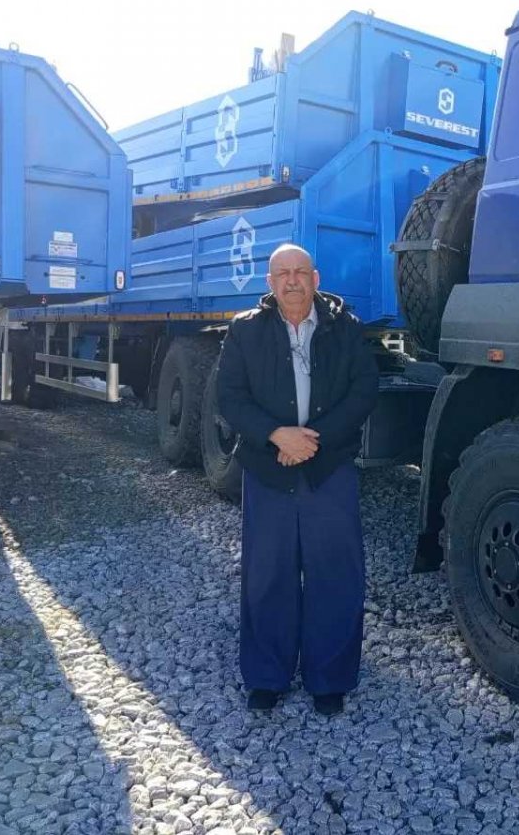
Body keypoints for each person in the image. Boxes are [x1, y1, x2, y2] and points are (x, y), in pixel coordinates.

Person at [216, 244, 378, 716]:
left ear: (315, 278)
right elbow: (229, 395)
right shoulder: (245, 330)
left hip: (329, 466)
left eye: (300, 272)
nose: (292, 281)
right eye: (282, 273)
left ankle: (330, 679)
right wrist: (276, 435)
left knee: (335, 573)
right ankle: (267, 677)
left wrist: (313, 440)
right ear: (270, 283)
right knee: (268, 573)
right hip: (268, 467)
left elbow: (364, 390)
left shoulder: (345, 328)